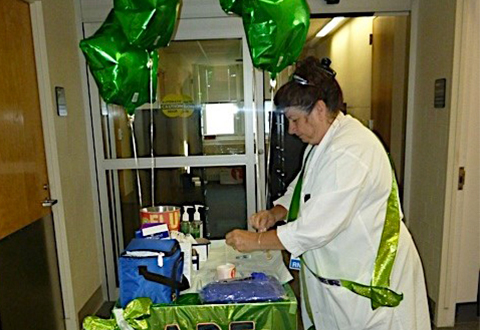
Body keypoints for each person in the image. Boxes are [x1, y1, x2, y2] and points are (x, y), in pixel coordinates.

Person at [225, 57, 431, 330]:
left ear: (320, 109)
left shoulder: (351, 150)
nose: (291, 129)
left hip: (370, 283)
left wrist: (257, 241)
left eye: (295, 120)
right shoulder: (323, 142)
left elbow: (315, 227)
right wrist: (277, 213)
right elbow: (305, 186)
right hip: (338, 278)